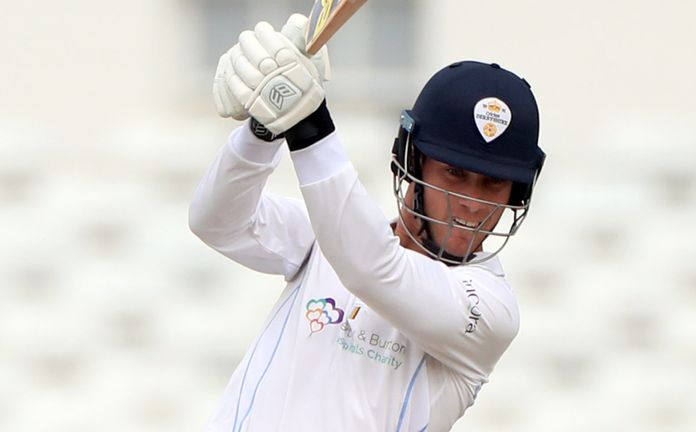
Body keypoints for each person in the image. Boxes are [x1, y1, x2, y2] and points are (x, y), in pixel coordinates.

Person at [189, 14, 546, 432]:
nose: (472, 203)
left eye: (493, 184)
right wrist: (264, 125)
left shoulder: (489, 308)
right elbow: (215, 220)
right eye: (455, 174)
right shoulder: (335, 237)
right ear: (412, 163)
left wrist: (305, 121)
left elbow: (371, 269)